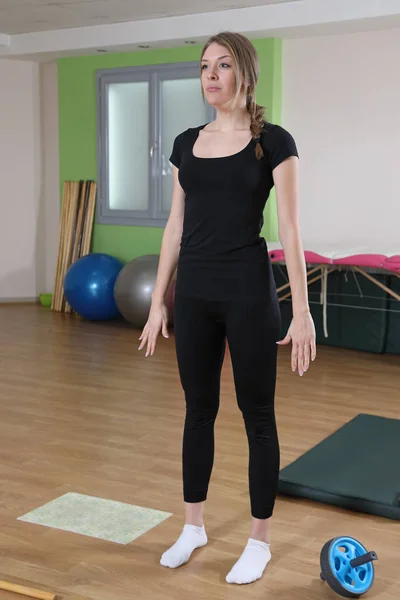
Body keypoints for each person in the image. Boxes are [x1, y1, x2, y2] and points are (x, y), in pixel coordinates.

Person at [138, 31, 316, 585]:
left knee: (257, 416)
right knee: (198, 411)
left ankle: (258, 541)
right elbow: (175, 225)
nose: (209, 76)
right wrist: (157, 303)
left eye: (221, 65)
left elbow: (288, 228)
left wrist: (304, 312)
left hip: (246, 291)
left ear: (244, 73)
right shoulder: (187, 142)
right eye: (203, 67)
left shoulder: (273, 143)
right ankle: (193, 527)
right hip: (192, 293)